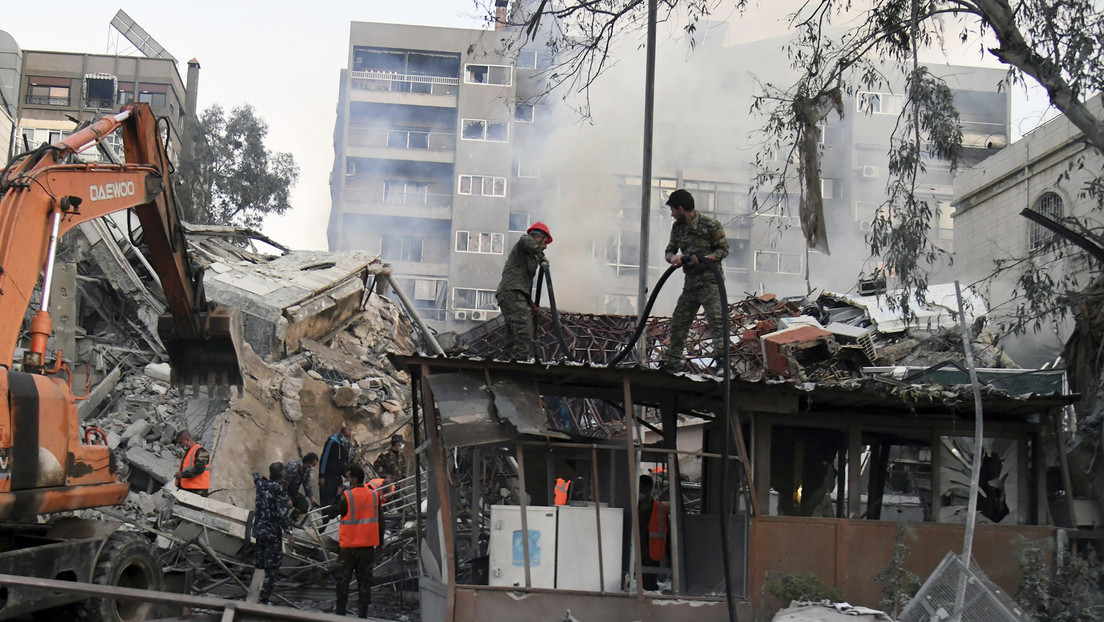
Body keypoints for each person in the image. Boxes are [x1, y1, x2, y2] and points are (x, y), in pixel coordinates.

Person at [662, 189, 729, 372]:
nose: (672, 214)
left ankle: (723, 363)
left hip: (710, 284)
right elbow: (669, 250)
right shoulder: (677, 228)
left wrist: (706, 257)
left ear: (681, 209)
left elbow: (723, 250)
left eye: (673, 210)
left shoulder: (711, 225)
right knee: (679, 322)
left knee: (717, 322)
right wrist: (672, 258)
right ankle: (673, 362)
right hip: (691, 285)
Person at [324, 465, 382, 618]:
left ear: (355, 479)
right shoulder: (374, 496)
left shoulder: (347, 496)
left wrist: (338, 495)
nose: (345, 481)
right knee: (365, 584)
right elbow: (381, 521)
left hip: (348, 549)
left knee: (342, 582)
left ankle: (340, 615)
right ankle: (362, 616)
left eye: (347, 478)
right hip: (368, 548)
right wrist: (380, 543)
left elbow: (330, 513)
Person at [495, 221, 553, 361]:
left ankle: (506, 365)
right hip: (512, 293)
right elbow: (525, 239)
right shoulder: (525, 243)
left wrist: (531, 305)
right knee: (524, 331)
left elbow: (524, 285)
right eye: (545, 242)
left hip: (514, 293)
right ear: (538, 237)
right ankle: (517, 368)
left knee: (513, 336)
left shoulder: (529, 256)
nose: (545, 247)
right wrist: (541, 256)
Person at [252, 462, 295, 605]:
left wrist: (255, 474)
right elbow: (281, 514)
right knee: (272, 568)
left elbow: (257, 478)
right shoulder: (279, 490)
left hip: (259, 531)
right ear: (282, 474)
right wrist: (289, 532)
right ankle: (263, 600)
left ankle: (253, 595)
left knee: (260, 564)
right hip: (271, 533)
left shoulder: (261, 484)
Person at [637, 474, 669, 590]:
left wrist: (669, 561)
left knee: (649, 587)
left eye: (640, 487)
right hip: (634, 555)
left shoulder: (660, 509)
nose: (638, 491)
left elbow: (668, 537)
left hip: (651, 556)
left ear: (649, 488)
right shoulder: (633, 507)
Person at [319, 427, 352, 507]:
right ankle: (325, 518)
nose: (347, 438)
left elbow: (345, 461)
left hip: (338, 477)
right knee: (327, 500)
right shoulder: (332, 442)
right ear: (341, 434)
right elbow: (324, 458)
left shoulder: (346, 445)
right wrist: (321, 476)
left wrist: (346, 474)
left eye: (348, 436)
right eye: (345, 436)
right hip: (328, 475)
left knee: (337, 499)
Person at [174, 430, 210, 497]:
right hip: (188, 489)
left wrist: (182, 474)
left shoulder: (201, 452)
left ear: (187, 440)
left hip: (198, 491)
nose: (180, 445)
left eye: (181, 443)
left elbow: (199, 469)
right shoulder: (188, 452)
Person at [284, 453, 320, 518]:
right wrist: (288, 499)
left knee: (304, 505)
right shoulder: (293, 467)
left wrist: (311, 497)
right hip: (283, 492)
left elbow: (306, 483)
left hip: (293, 492)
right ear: (308, 463)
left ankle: (292, 521)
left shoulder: (307, 470)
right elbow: (283, 484)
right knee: (285, 505)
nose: (312, 468)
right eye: (312, 465)